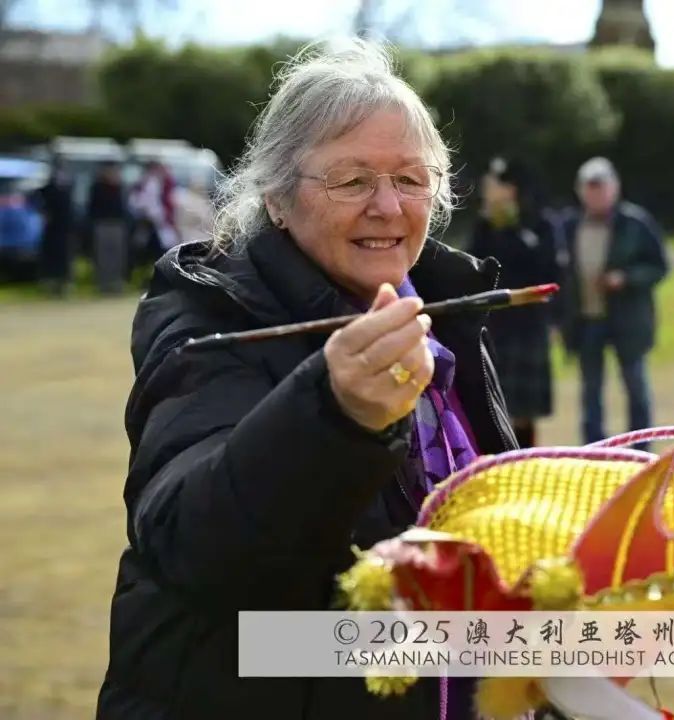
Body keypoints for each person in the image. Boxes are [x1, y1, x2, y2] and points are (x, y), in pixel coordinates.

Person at [96, 40, 517, 720]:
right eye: (352, 182)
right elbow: (189, 543)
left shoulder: (444, 311)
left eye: (412, 180)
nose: (388, 206)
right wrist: (334, 412)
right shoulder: (212, 314)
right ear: (277, 199)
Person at [558, 157, 668, 446]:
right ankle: (595, 449)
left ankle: (642, 448)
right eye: (590, 188)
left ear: (614, 188)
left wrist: (626, 278)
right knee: (590, 391)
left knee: (635, 386)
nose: (595, 194)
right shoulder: (568, 226)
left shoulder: (636, 223)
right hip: (586, 320)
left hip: (627, 321)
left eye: (601, 187)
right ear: (581, 191)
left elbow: (659, 266)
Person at [468, 156, 559, 447]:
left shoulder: (539, 223)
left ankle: (525, 459)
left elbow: (547, 269)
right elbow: (474, 268)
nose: (488, 189)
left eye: (495, 184)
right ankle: (499, 461)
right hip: (494, 324)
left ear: (511, 188)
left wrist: (556, 319)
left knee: (523, 411)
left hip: (528, 325)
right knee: (493, 404)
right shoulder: (484, 226)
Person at [87, 162, 128, 294]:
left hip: (117, 224)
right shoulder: (97, 187)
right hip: (102, 224)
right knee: (103, 256)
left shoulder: (119, 187)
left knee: (117, 256)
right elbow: (93, 208)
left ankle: (116, 282)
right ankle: (103, 283)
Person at [36, 160, 74, 295]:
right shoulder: (49, 188)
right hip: (52, 229)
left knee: (65, 256)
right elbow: (38, 198)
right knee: (51, 256)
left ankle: (64, 283)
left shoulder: (68, 187)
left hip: (65, 228)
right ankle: (51, 282)